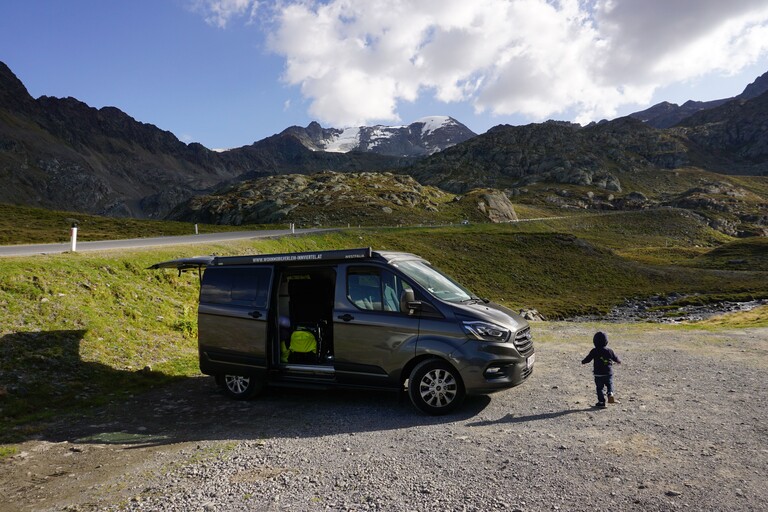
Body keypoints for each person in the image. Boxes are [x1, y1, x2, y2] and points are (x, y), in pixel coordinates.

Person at [581, 331, 621, 408]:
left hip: (598, 374)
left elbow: (588, 359)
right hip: (608, 373)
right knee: (609, 384)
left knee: (599, 388)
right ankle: (610, 393)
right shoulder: (609, 350)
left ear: (594, 342)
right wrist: (618, 361)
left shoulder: (594, 351)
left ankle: (601, 402)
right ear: (606, 342)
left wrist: (583, 361)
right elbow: (615, 358)